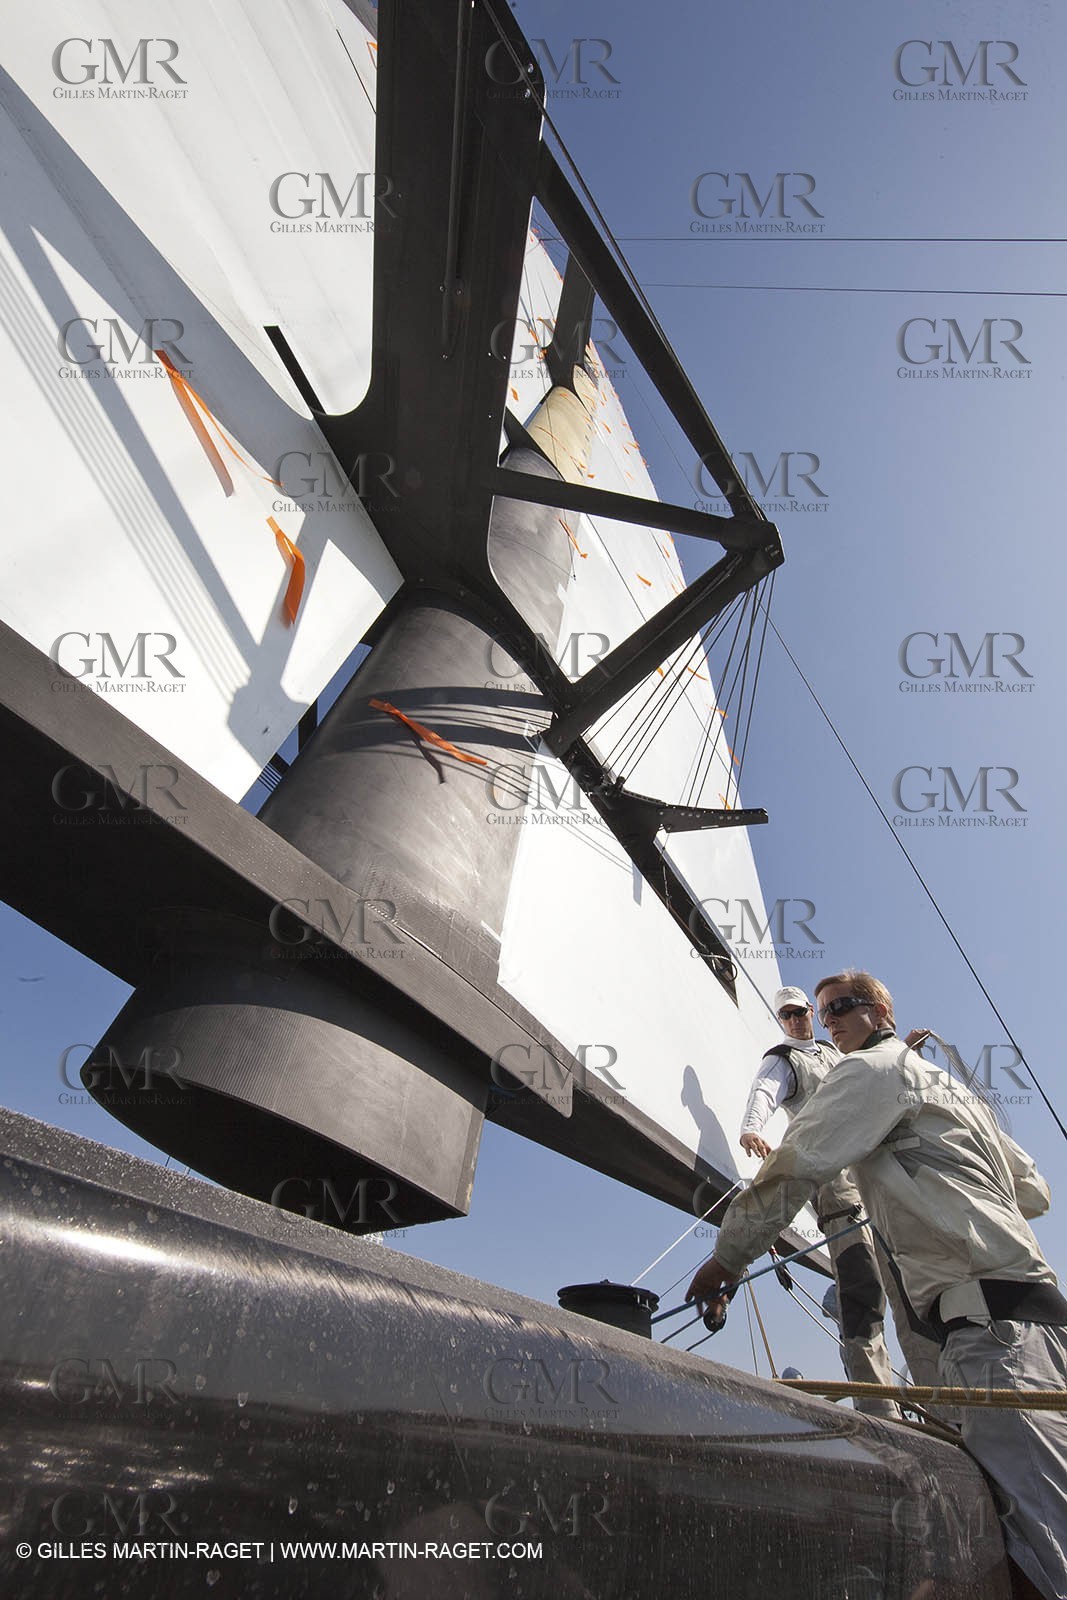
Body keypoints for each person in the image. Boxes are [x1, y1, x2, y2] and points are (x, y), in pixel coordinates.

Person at [692, 970, 1066, 1600]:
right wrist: (921, 1175)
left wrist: (727, 1259)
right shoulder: (950, 1086)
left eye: (842, 1006)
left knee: (1045, 1553)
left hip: (990, 1334)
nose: (828, 1019)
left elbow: (796, 1164)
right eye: (821, 1012)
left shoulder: (866, 1071)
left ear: (882, 1011)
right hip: (1043, 1321)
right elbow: (1034, 1190)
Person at [742, 987, 944, 1411]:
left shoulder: (838, 1053)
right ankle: (879, 1412)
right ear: (781, 1021)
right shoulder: (782, 1060)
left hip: (881, 1186)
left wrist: (903, 1050)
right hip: (840, 1195)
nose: (796, 1019)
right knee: (861, 1294)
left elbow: (875, 1079)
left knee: (911, 1289)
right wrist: (751, 1128)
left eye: (801, 1012)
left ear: (810, 1013)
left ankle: (948, 1407)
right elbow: (764, 1091)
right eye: (787, 1015)